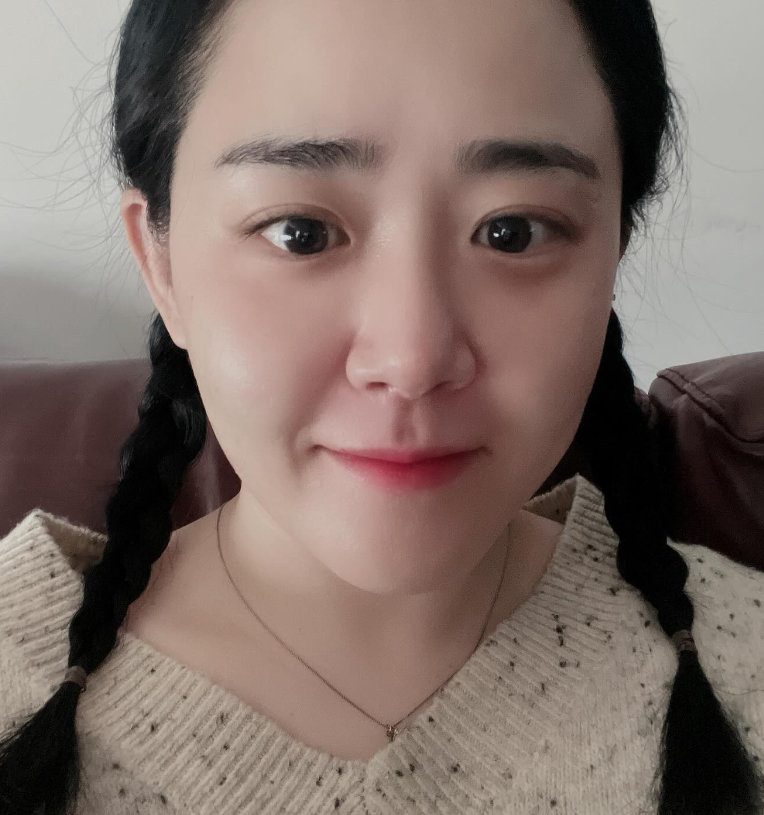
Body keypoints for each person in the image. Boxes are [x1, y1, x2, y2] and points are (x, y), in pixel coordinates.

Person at [0, 0, 762, 812]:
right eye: (300, 232)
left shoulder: (742, 663)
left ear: (613, 255)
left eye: (513, 232)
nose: (412, 360)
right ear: (161, 264)